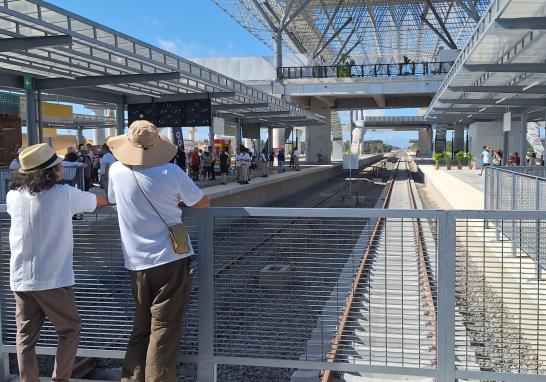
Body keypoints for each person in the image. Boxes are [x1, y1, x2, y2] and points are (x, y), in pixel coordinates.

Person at [107, 120, 209, 382]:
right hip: (170, 261)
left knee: (140, 327)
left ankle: (131, 378)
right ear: (156, 144)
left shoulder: (116, 170)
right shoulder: (170, 172)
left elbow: (112, 199)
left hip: (135, 263)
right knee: (164, 328)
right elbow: (201, 203)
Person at [7, 143, 107, 382]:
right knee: (70, 329)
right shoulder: (65, 195)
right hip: (53, 278)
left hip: (20, 278)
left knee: (25, 338)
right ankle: (60, 378)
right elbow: (98, 202)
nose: (61, 167)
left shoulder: (13, 197)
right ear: (49, 171)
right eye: (57, 165)